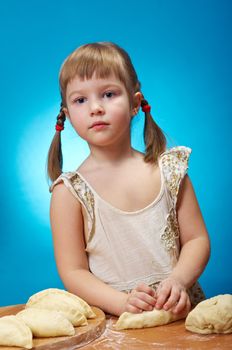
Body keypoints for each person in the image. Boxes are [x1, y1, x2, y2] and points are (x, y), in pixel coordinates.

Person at [47, 42, 210, 317]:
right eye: (80, 100)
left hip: (180, 315)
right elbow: (73, 271)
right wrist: (122, 303)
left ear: (135, 103)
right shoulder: (69, 193)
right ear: (67, 114)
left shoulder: (169, 172)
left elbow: (197, 240)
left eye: (108, 94)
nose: (96, 107)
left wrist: (179, 280)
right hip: (118, 322)